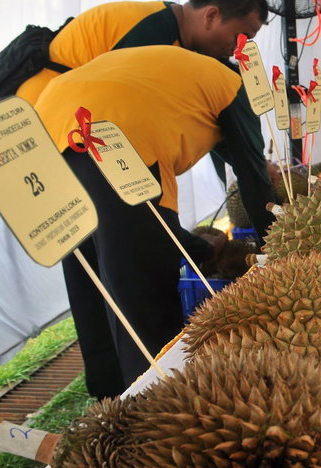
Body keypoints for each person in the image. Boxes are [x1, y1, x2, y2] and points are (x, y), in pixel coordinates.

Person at [34, 45, 275, 400]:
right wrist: (275, 247)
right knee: (141, 291)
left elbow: (231, 157)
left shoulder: (179, 72)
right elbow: (253, 176)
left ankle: (109, 397)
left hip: (48, 133)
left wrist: (197, 246)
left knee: (90, 278)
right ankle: (157, 405)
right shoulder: (232, 86)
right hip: (114, 142)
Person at [16, 0, 267, 105]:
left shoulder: (173, 25)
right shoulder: (154, 32)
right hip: (37, 113)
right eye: (240, 36)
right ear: (211, 16)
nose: (238, 49)